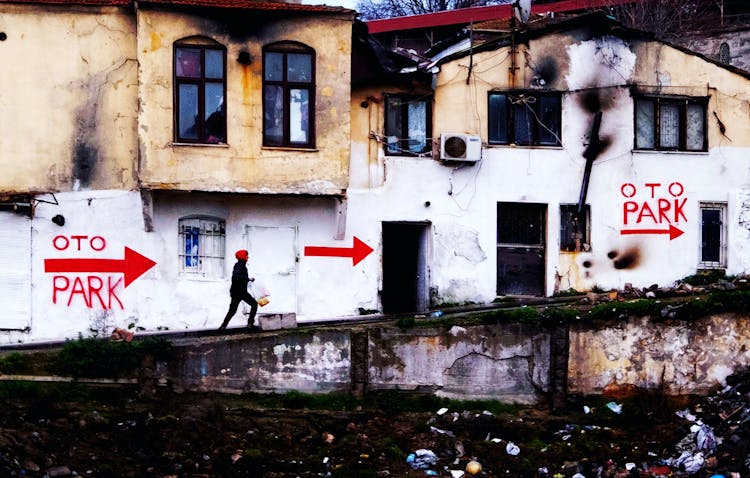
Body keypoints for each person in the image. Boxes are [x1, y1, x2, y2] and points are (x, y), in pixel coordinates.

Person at [219, 249, 258, 330]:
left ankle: (223, 326)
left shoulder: (241, 265)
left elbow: (238, 277)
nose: (248, 257)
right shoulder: (239, 265)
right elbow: (236, 277)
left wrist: (248, 280)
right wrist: (248, 279)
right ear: (243, 257)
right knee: (253, 304)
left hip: (239, 292)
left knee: (233, 310)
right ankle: (250, 323)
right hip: (239, 292)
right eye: (247, 256)